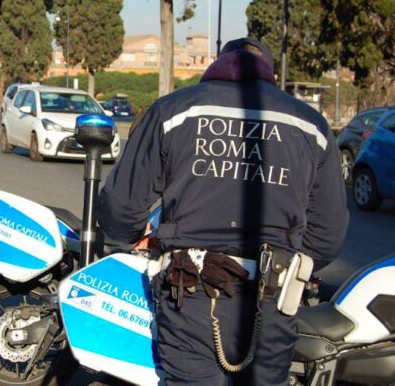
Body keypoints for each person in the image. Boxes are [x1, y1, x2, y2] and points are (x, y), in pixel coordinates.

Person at [96, 37, 348, 385]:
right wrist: (292, 269)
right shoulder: (312, 126)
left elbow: (120, 207)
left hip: (190, 295)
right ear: (270, 74)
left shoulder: (174, 111)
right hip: (273, 300)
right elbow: (328, 234)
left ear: (219, 64)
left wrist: (127, 239)